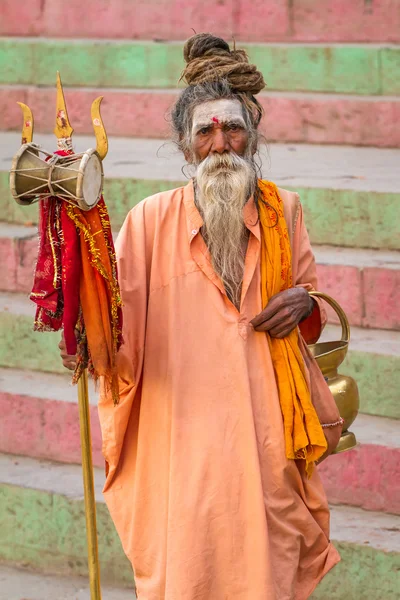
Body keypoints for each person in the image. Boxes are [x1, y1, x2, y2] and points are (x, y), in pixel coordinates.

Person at [60, 33, 344, 600]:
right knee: (188, 569)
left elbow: (312, 312)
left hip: (265, 443)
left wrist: (307, 304)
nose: (221, 145)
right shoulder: (147, 222)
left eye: (233, 128)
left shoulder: (283, 210)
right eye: (205, 132)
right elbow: (117, 338)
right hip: (180, 445)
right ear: (185, 146)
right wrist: (88, 335)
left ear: (253, 135)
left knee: (267, 573)